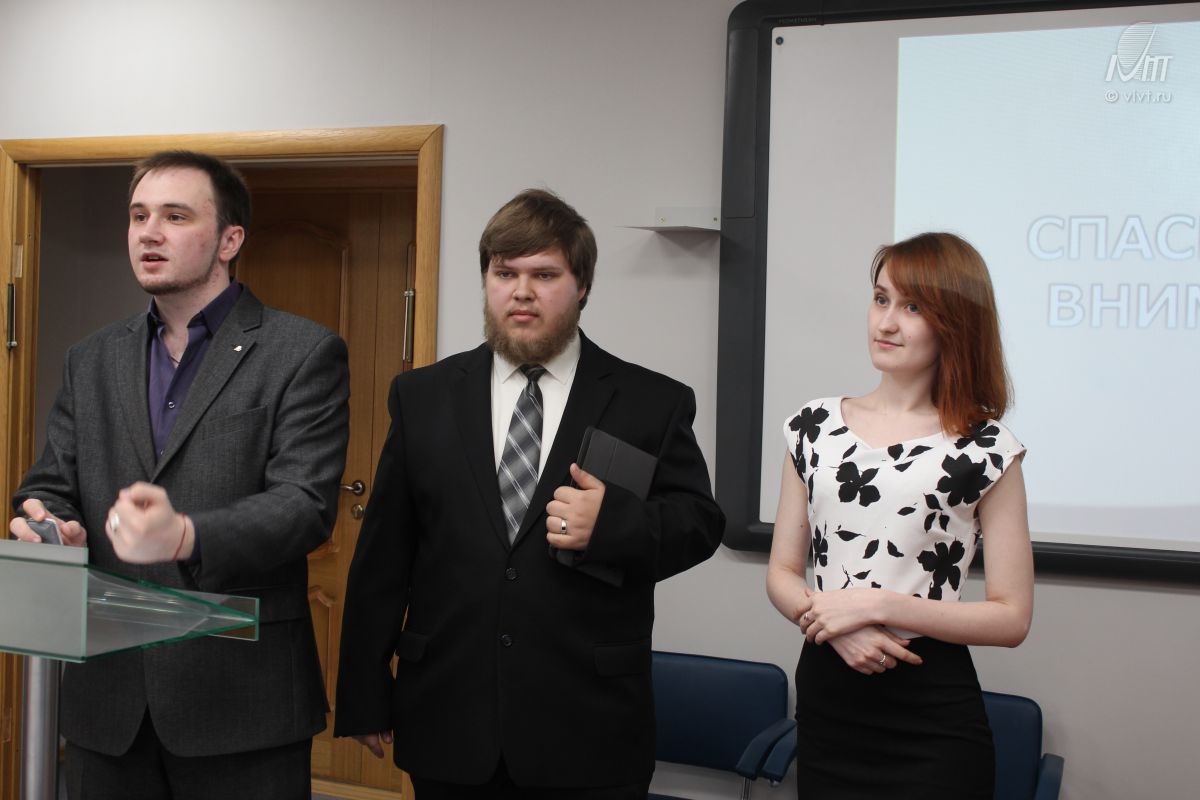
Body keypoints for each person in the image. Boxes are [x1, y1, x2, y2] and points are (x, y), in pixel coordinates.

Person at [334, 188, 725, 798]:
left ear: (582, 285)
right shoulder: (422, 396)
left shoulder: (652, 401)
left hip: (587, 727)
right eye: (504, 273)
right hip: (448, 719)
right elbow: (383, 556)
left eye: (544, 274)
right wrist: (363, 692)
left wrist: (613, 524)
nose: (521, 291)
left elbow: (700, 523)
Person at [9, 151, 350, 799]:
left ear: (230, 240)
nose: (149, 232)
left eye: (175, 216)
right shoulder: (90, 359)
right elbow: (51, 484)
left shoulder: (302, 352)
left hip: (240, 702)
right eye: (138, 215)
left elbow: (303, 505)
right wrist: (50, 522)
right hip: (107, 704)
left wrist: (185, 535)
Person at [766, 232, 1034, 798]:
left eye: (913, 307)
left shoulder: (987, 448)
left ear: (955, 323)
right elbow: (782, 574)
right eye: (881, 298)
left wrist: (879, 605)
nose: (886, 323)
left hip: (931, 712)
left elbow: (1012, 618)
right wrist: (838, 630)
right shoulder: (813, 427)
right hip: (829, 698)